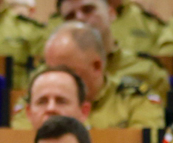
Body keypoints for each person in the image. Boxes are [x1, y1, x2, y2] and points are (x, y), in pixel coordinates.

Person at [11, 23, 162, 129]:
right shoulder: (38, 102)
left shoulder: (135, 99)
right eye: (50, 69)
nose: (57, 78)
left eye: (66, 71)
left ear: (96, 66)